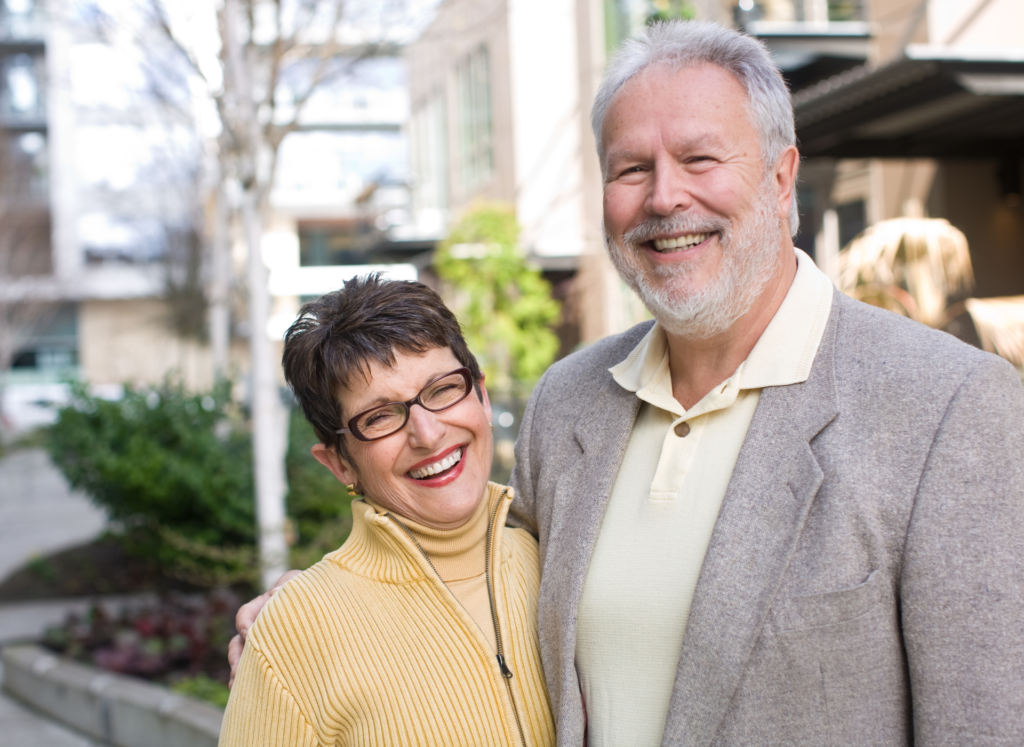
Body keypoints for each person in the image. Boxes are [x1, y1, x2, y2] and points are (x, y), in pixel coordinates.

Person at [233, 21, 1024, 746]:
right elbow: (472, 575)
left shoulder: (952, 407)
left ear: (783, 178)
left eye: (700, 158)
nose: (664, 197)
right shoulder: (570, 402)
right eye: (631, 168)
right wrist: (303, 626)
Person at [219, 275, 555, 747]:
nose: (428, 433)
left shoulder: (559, 556)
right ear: (338, 463)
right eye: (379, 417)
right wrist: (289, 626)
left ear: (480, 394)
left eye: (442, 390)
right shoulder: (296, 632)